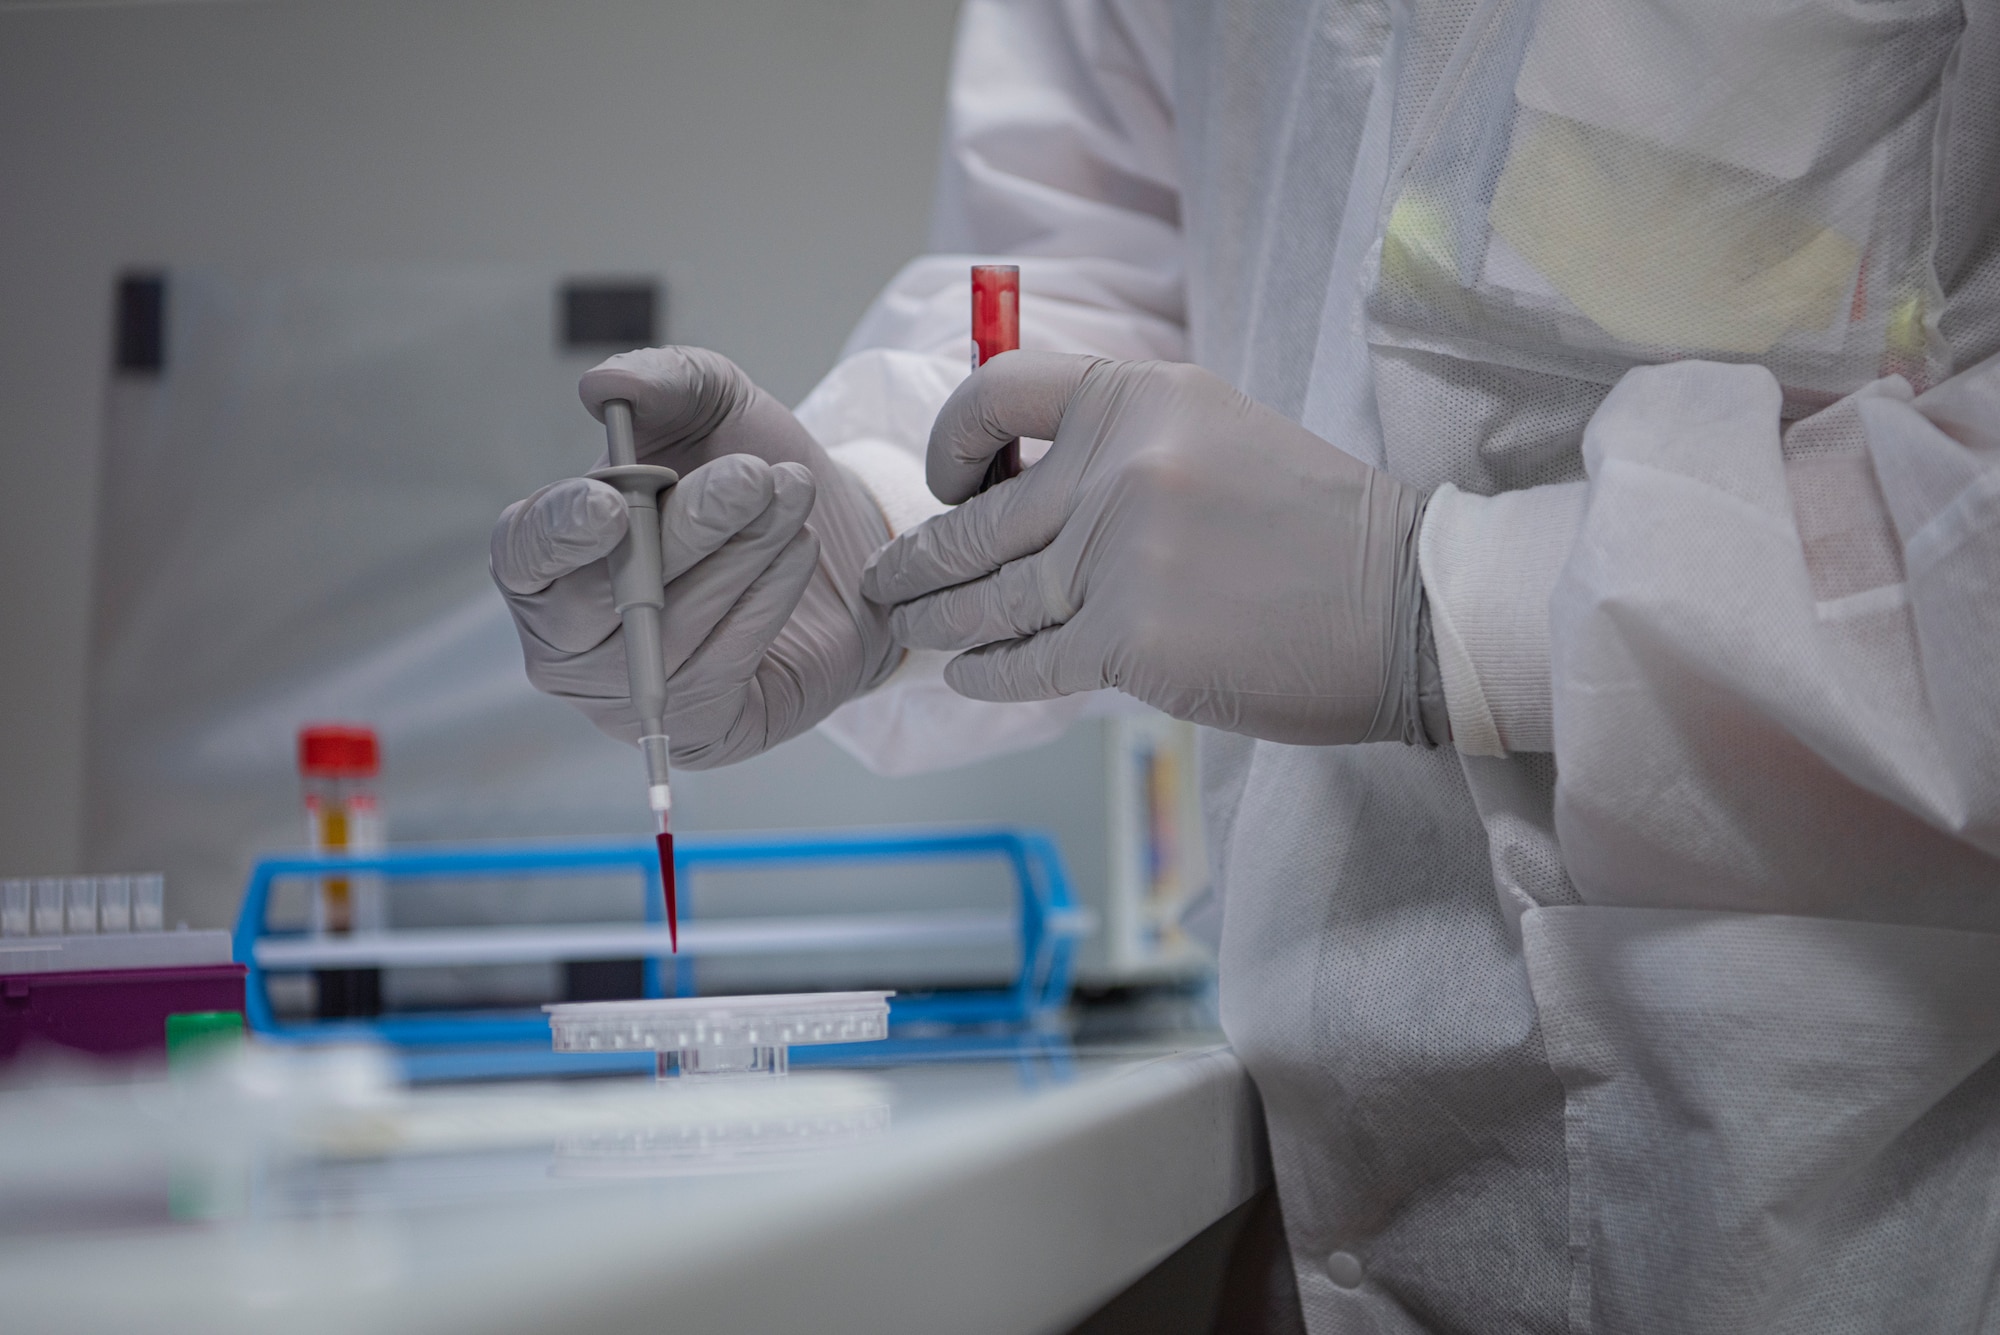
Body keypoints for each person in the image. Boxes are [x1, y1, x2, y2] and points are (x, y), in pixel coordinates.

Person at [491, 2, 2000, 1328]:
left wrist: (1453, 599)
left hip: (1844, 1184)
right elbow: (1104, 249)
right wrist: (887, 522)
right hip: (1327, 1174)